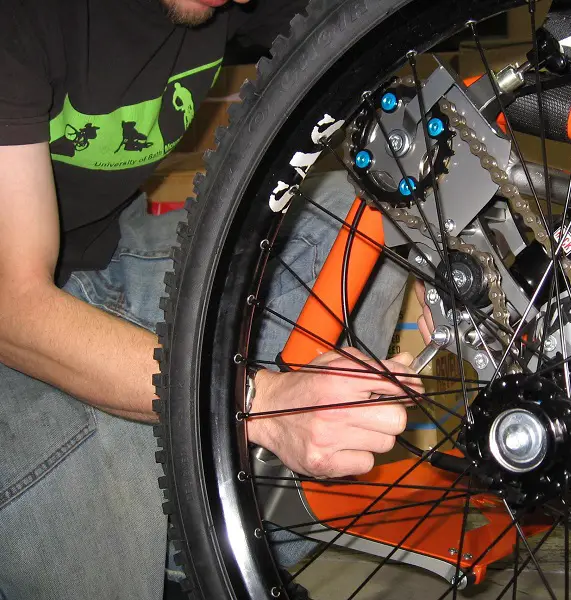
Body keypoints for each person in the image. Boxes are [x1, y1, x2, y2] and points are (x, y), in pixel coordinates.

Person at [0, 1, 417, 598]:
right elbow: (13, 305)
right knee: (105, 452)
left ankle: (218, 550)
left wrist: (441, 245)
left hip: (106, 252)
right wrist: (259, 400)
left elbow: (360, 50)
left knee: (366, 218)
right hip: (16, 298)